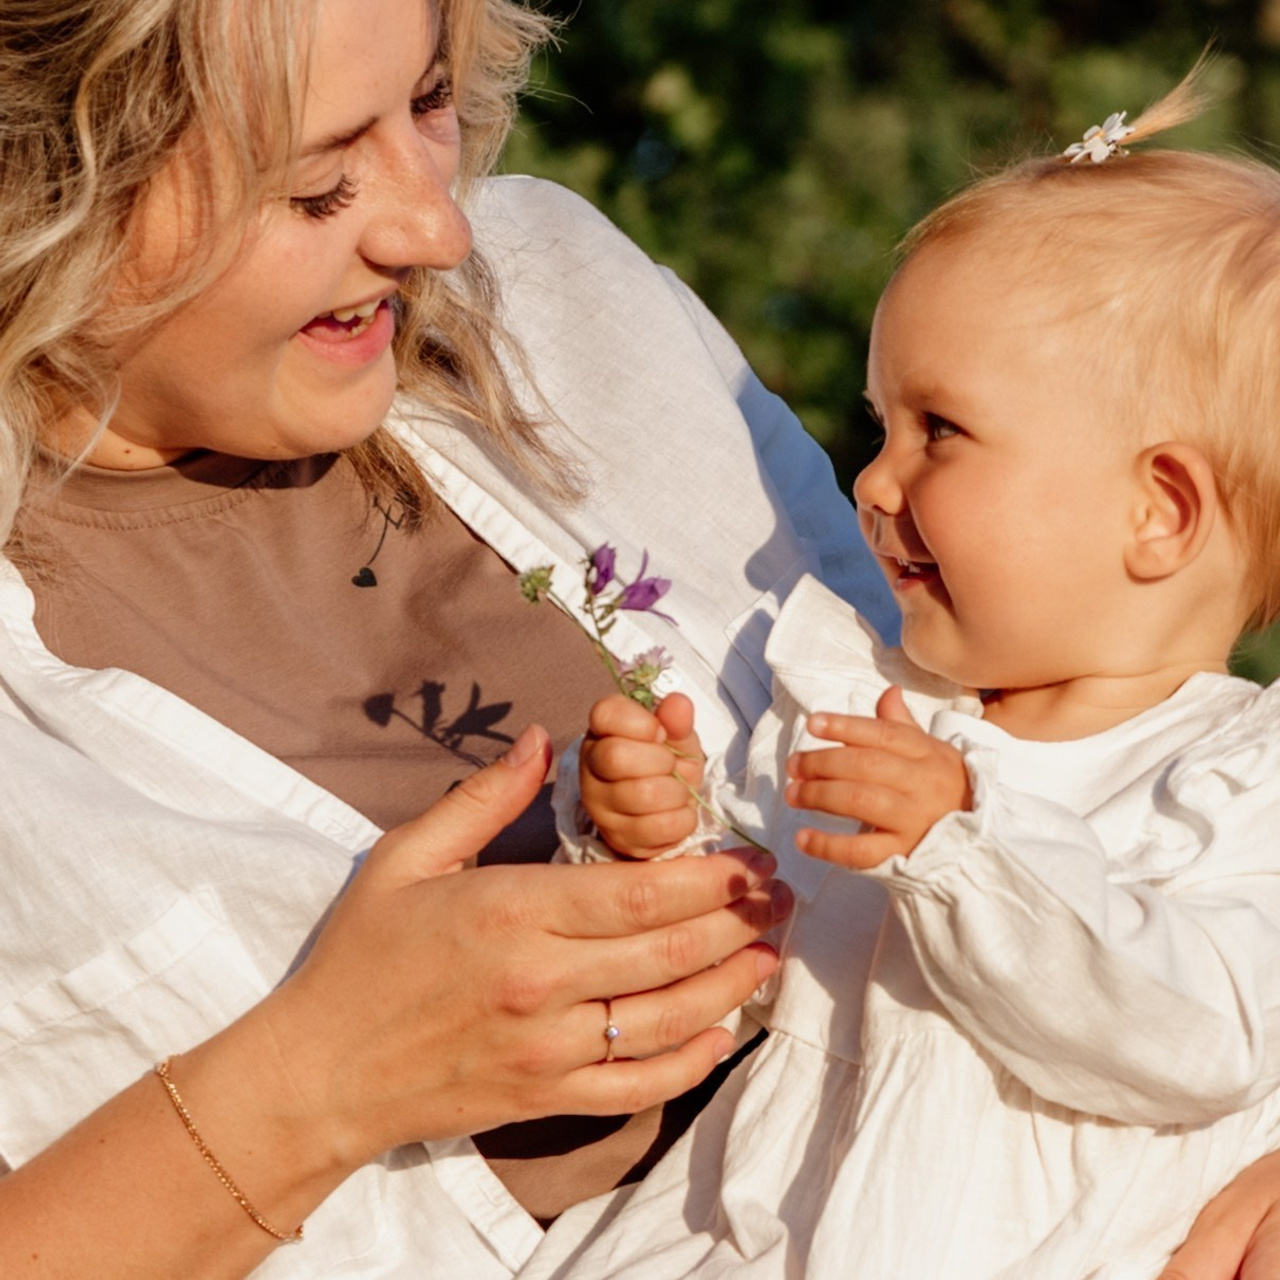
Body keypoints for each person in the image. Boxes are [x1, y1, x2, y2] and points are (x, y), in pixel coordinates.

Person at [0, 0, 898, 1274]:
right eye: (317, 186)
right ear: (43, 177)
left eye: (426, 104)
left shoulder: (564, 290)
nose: (437, 224)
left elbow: (1042, 734)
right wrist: (318, 1083)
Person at [565, 69, 1280, 1277]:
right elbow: (742, 976)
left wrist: (959, 848)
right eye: (878, 424)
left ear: (1156, 511)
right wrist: (660, 839)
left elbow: (1193, 1035)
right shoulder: (866, 703)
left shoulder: (1238, 781)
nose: (871, 482)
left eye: (937, 430)